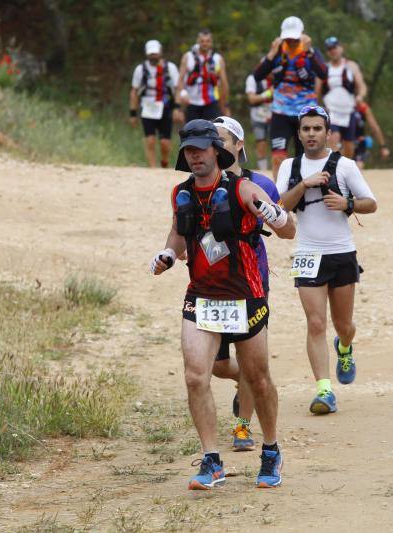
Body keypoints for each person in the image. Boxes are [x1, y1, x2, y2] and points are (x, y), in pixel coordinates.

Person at [150, 119, 294, 490]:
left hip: (245, 294)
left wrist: (274, 215)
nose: (195, 155)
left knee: (258, 379)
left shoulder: (243, 188)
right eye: (189, 150)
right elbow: (179, 234)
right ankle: (211, 460)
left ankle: (271, 449)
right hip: (201, 296)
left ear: (217, 151)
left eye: (201, 148)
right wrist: (168, 253)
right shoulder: (181, 193)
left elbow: (288, 229)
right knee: (196, 375)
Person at [276, 106, 377, 415]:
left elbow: (370, 203)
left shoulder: (344, 165)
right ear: (298, 133)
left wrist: (346, 203)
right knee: (316, 323)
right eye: (305, 129)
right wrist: (304, 185)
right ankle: (324, 390)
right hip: (308, 253)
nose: (311, 134)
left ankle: (344, 347)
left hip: (341, 252)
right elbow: (279, 206)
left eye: (317, 128)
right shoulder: (289, 167)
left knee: (343, 325)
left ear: (328, 132)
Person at [211, 116, 280, 452]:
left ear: (239, 144)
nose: (215, 145)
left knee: (251, 359)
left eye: (222, 139)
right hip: (212, 282)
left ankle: (243, 426)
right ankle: (247, 378)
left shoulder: (262, 184)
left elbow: (281, 221)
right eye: (211, 139)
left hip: (252, 280)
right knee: (217, 364)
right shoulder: (202, 181)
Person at [253, 16, 327, 177]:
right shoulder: (278, 51)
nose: (292, 42)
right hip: (281, 113)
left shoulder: (311, 52)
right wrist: (271, 53)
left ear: (302, 34)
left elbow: (323, 73)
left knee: (306, 158)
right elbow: (257, 76)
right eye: (288, 38)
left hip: (306, 113)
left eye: (295, 38)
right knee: (278, 157)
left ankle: (304, 196)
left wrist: (310, 52)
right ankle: (279, 198)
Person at [130, 39, 180, 168]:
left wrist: (177, 108)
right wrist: (133, 113)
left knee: (165, 142)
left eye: (155, 53)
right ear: (147, 54)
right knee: (150, 139)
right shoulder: (140, 70)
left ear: (160, 52)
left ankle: (164, 161)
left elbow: (177, 89)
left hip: (166, 106)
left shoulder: (170, 68)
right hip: (148, 107)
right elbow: (134, 91)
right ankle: (152, 167)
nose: (154, 56)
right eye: (151, 53)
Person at [319, 36, 367, 159]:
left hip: (348, 111)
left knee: (349, 145)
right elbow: (317, 91)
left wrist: (360, 96)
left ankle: (346, 169)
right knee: (333, 139)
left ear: (341, 48)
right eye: (329, 49)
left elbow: (362, 87)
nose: (333, 51)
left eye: (334, 47)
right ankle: (334, 170)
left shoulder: (351, 66)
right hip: (332, 111)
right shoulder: (324, 69)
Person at [176, 30, 230, 122]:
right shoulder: (188, 57)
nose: (205, 44)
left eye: (208, 41)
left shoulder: (217, 59)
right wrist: (179, 102)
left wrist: (225, 105)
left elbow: (224, 83)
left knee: (212, 131)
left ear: (211, 42)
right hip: (192, 101)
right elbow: (180, 79)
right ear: (198, 41)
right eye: (202, 41)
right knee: (192, 132)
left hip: (211, 101)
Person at [245, 70, 274, 170]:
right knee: (261, 144)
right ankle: (264, 171)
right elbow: (251, 99)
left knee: (277, 145)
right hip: (257, 116)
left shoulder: (278, 77)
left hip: (275, 115)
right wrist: (269, 93)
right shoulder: (252, 78)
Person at [352, 102, 390, 170]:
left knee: (356, 166)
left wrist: (383, 146)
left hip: (357, 142)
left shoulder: (362, 107)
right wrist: (383, 146)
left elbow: (374, 127)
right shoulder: (336, 104)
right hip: (344, 142)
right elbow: (374, 128)